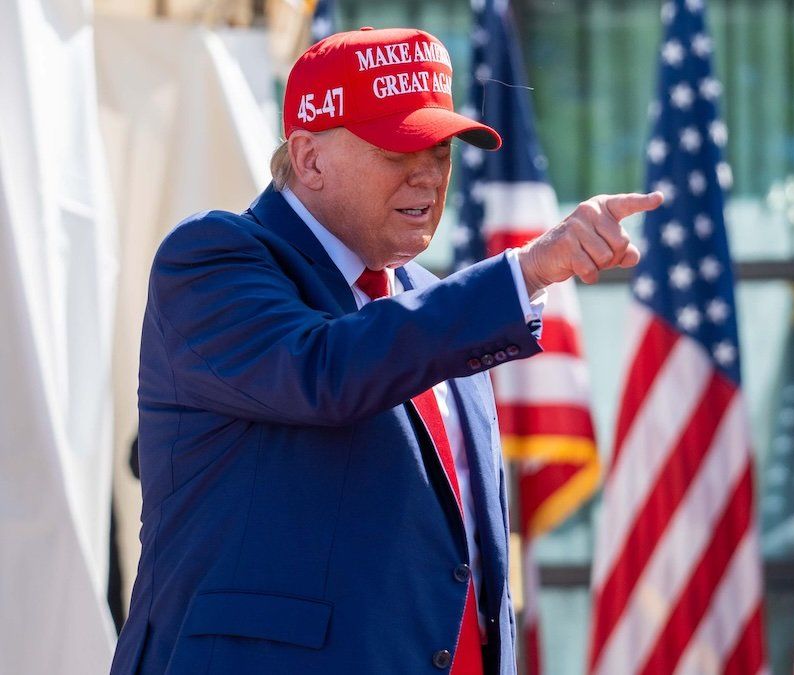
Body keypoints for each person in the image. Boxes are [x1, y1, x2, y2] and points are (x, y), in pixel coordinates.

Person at [110, 27, 660, 675]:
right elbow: (325, 370)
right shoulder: (212, 261)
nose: (430, 173)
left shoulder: (440, 306)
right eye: (400, 148)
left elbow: (468, 569)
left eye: (443, 150)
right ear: (310, 158)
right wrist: (526, 272)